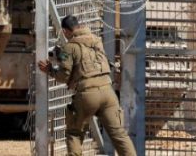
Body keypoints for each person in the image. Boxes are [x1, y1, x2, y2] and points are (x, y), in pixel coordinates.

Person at [37, 15, 136, 156]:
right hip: (108, 93)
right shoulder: (96, 40)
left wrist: (50, 70)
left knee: (74, 133)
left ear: (65, 31)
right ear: (79, 26)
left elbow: (64, 76)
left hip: (87, 95)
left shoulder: (69, 47)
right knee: (119, 135)